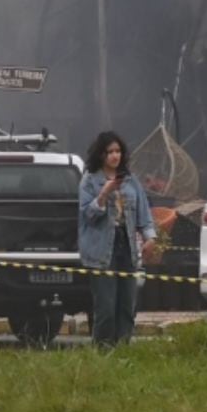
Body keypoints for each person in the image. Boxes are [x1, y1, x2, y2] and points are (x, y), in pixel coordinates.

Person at [79, 131, 157, 348]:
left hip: (127, 247)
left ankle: (123, 349)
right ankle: (103, 350)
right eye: (110, 152)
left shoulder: (130, 181)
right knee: (106, 307)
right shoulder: (90, 181)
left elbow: (143, 213)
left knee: (127, 305)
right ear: (101, 154)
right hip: (101, 250)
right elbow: (87, 216)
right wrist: (104, 194)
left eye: (118, 151)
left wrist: (149, 238)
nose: (115, 156)